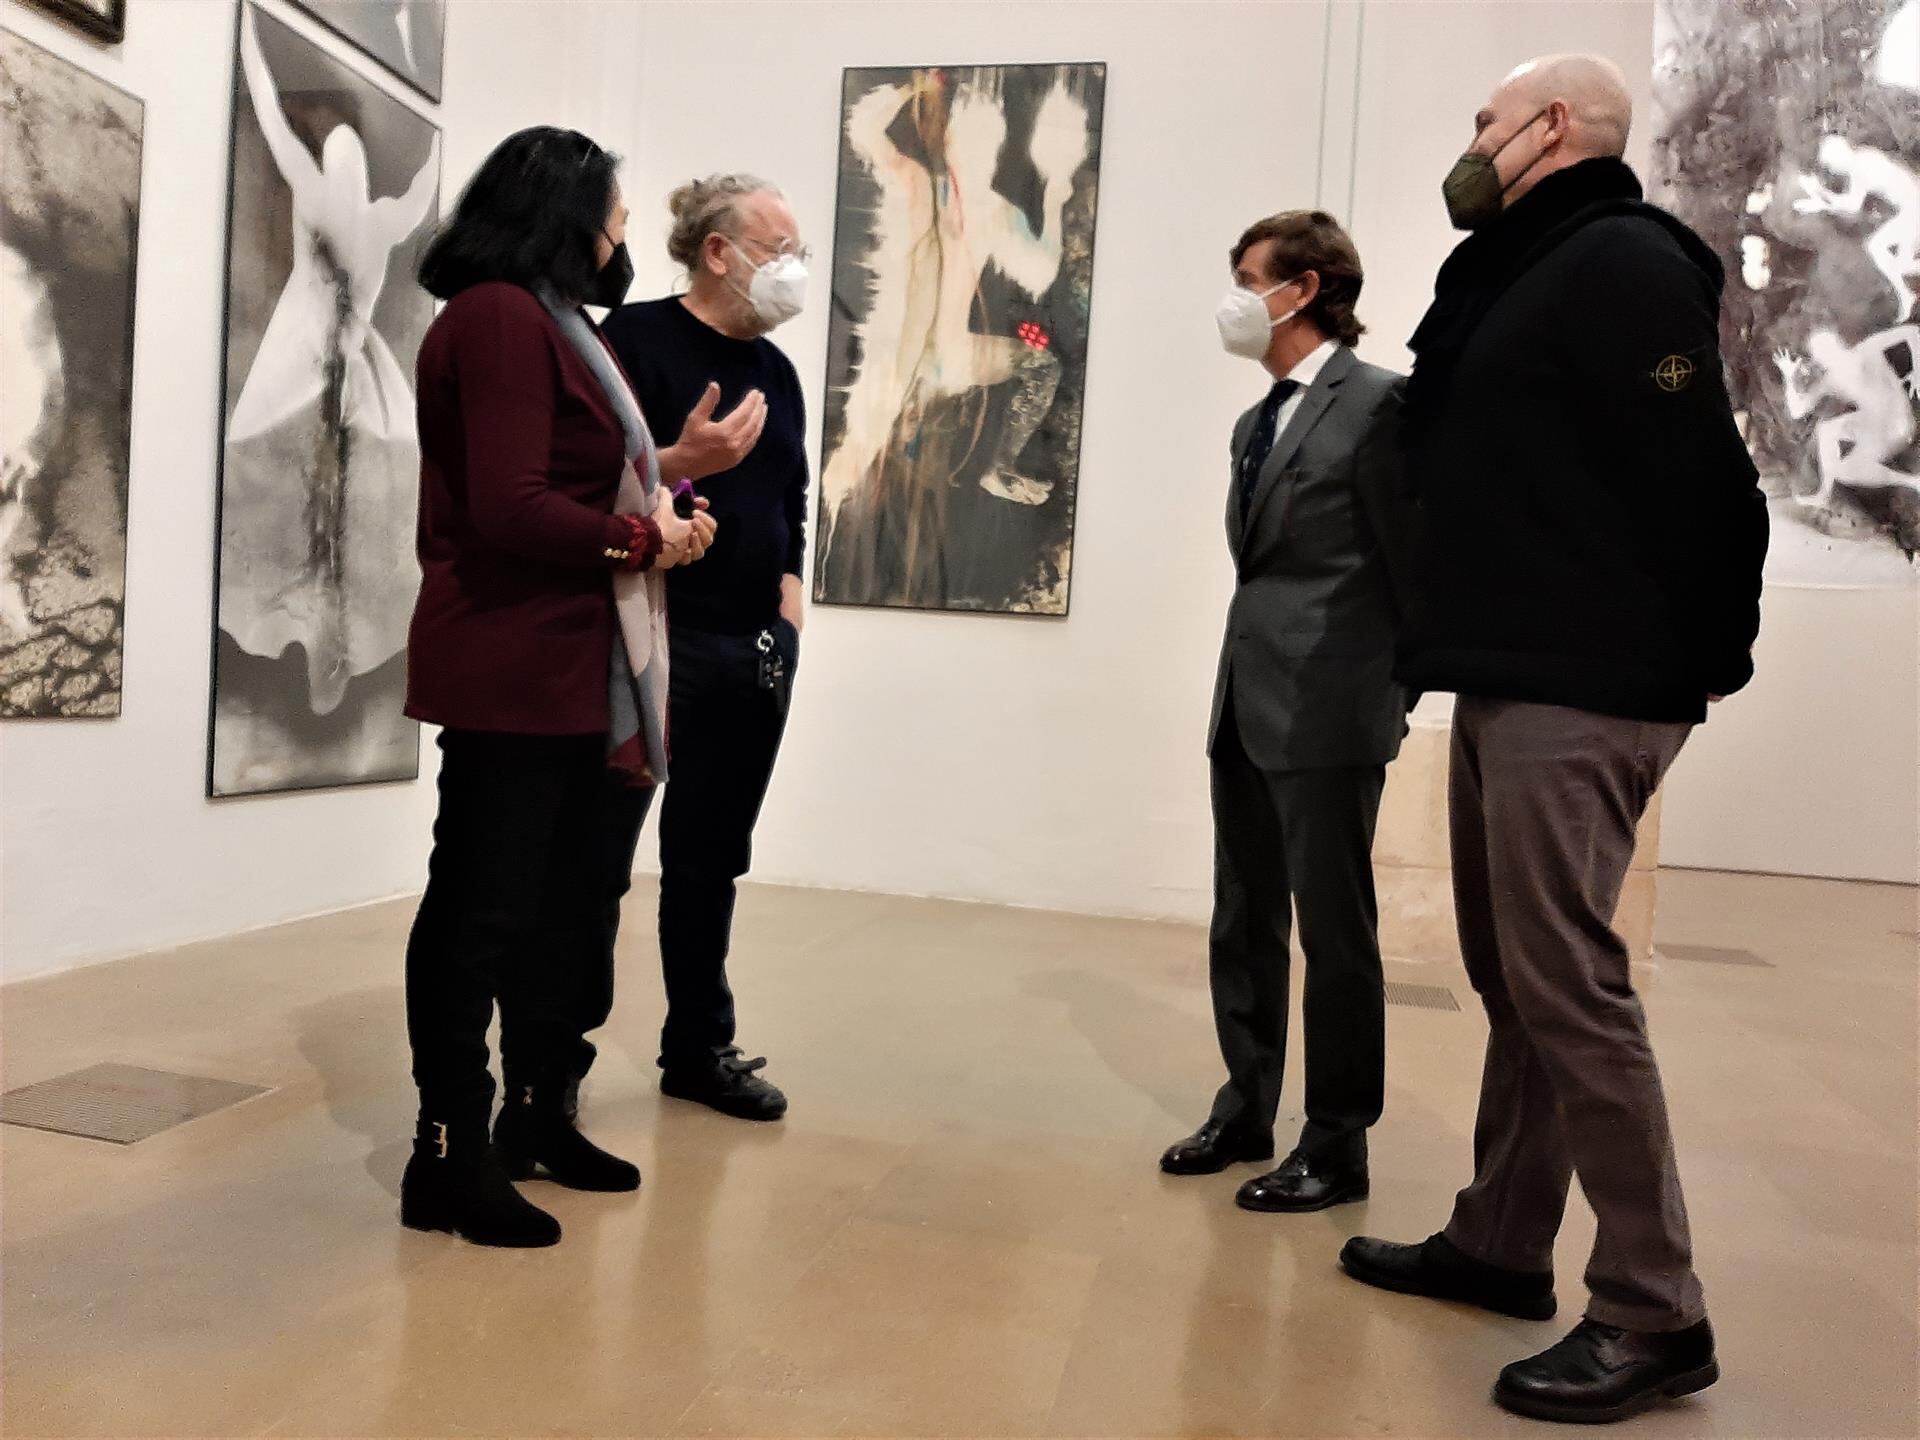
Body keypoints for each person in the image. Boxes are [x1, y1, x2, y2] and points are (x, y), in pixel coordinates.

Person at [1338, 56, 1768, 1424]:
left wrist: (1681, 663)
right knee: (1517, 979)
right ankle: (1501, 1240)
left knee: (1569, 986)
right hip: (1508, 666)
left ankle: (1654, 1311)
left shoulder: (1625, 260)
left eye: (1486, 120)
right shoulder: (1520, 265)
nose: (1471, 141)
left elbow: (1702, 478)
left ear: (1552, 128)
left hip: (1586, 677)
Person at [399, 127, 716, 1248]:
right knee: (482, 911)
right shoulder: (495, 317)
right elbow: (510, 505)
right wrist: (642, 540)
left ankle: (535, 1116)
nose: (621, 239)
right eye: (614, 219)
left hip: (578, 664)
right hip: (512, 662)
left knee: (564, 908)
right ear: (565, 218)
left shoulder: (556, 322)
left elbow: (582, 481)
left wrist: (664, 513)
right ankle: (447, 1150)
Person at [1159, 212, 1416, 1217]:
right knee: (1244, 916)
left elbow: (1412, 566)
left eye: (1248, 276)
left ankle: (1339, 1141)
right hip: (1248, 701)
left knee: (1336, 934)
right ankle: (1246, 1108)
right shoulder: (1254, 422)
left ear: (1303, 289)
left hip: (1333, 710)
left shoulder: (1381, 405)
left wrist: (1389, 696)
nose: (1235, 296)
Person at [585, 174, 811, 1122]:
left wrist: (788, 610)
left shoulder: (780, 373)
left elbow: (793, 502)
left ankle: (699, 1049)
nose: (793, 269)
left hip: (751, 649)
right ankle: (554, 1064)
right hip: (651, 641)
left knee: (710, 858)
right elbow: (594, 479)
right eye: (777, 249)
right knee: (598, 857)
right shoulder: (632, 341)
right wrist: (679, 465)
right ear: (717, 251)